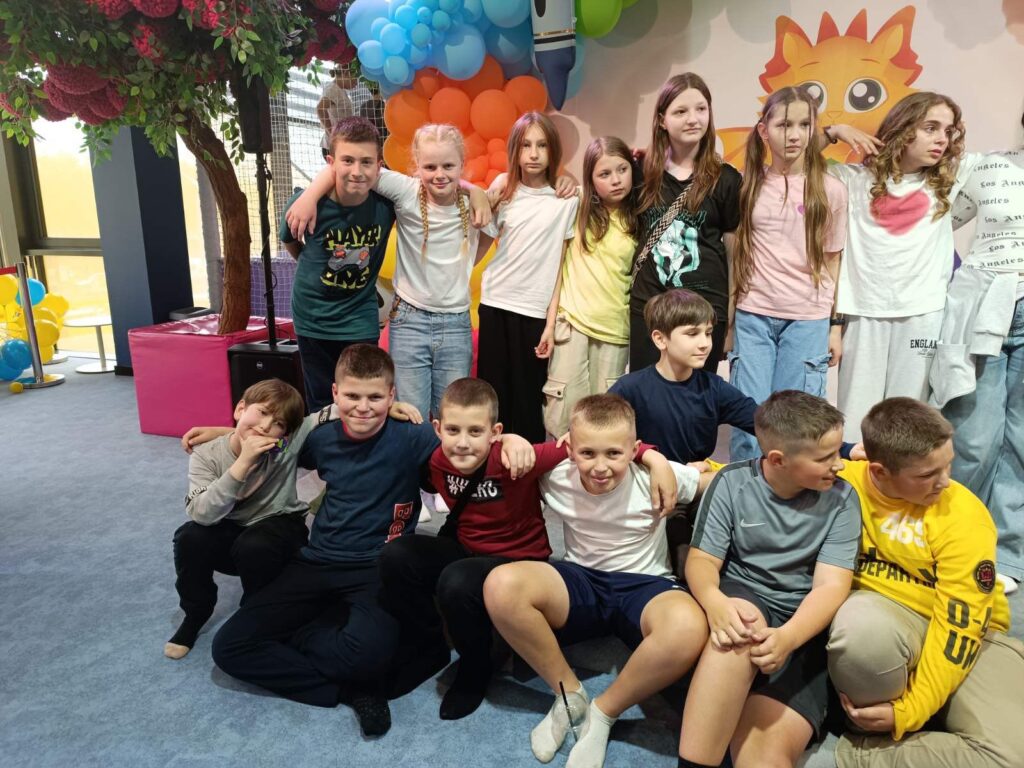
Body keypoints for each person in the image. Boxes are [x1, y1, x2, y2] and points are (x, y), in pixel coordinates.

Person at [208, 345, 531, 737]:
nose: (363, 407)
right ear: (335, 393)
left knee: (366, 655)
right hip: (315, 560)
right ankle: (350, 689)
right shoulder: (320, 437)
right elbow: (274, 442)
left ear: (392, 395)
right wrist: (224, 435)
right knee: (228, 648)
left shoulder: (414, 437)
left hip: (375, 567)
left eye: (375, 397)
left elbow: (468, 446)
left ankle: (316, 642)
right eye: (352, 396)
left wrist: (509, 439)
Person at [379, 378, 677, 721]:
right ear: (438, 428)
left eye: (475, 431)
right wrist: (391, 406)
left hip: (517, 558)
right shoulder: (436, 459)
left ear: (495, 432)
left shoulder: (518, 458)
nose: (462, 443)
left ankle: (476, 667)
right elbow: (373, 419)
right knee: (396, 556)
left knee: (456, 580)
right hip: (465, 544)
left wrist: (654, 457)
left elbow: (589, 443)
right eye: (453, 430)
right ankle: (427, 644)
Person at [483, 394, 711, 768]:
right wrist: (508, 438)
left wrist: (675, 464)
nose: (600, 467)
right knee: (500, 584)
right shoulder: (555, 474)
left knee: (688, 626)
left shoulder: (657, 473)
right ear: (570, 448)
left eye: (614, 454)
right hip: (581, 579)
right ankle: (569, 695)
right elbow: (494, 455)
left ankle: (603, 713)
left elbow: (719, 482)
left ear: (634, 450)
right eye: (588, 453)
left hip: (645, 583)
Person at [827, 397, 1024, 768]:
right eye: (927, 474)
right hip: (884, 625)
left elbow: (959, 626)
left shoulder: (964, 514)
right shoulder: (841, 483)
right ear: (879, 471)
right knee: (863, 628)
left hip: (971, 637)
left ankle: (849, 753)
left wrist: (912, 710)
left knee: (1011, 757)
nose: (945, 481)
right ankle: (871, 727)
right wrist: (704, 471)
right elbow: (766, 474)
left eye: (948, 464)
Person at [679, 390, 861, 768]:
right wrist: (714, 602)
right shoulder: (731, 482)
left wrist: (789, 637)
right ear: (778, 460)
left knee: (762, 755)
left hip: (805, 625)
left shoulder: (843, 499)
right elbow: (702, 560)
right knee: (739, 628)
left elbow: (831, 586)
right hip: (748, 594)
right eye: (825, 457)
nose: (839, 465)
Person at [288, 124, 493, 421]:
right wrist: (309, 195)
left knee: (452, 414)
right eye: (430, 166)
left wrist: (475, 191)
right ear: (417, 167)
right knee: (411, 414)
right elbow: (350, 169)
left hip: (456, 323)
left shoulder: (471, 204)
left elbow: (485, 237)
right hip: (410, 321)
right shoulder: (406, 190)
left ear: (462, 164)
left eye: (448, 166)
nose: (439, 174)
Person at [825, 92, 981, 441]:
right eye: (930, 127)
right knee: (856, 421)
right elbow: (795, 162)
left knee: (908, 422)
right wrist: (833, 132)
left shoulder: (947, 181)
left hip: (923, 314)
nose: (942, 139)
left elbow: (1002, 163)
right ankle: (856, 479)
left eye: (948, 131)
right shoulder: (853, 180)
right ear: (903, 127)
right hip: (864, 312)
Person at [728, 86, 848, 461]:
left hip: (807, 319)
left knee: (798, 425)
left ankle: (794, 493)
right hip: (754, 315)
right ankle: (745, 491)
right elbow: (735, 254)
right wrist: (729, 322)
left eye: (804, 125)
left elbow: (833, 260)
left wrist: (834, 326)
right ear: (764, 130)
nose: (794, 135)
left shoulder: (831, 190)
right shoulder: (747, 185)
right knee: (749, 424)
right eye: (783, 125)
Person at [932, 112, 1024, 596]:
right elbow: (933, 224)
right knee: (973, 436)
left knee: (1021, 443)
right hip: (985, 306)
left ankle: (1006, 554)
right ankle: (957, 541)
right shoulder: (988, 166)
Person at [165, 379, 309, 660]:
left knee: (255, 546)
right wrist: (242, 463)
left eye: (278, 423)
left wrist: (390, 405)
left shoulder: (283, 445)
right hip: (230, 525)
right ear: (240, 408)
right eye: (262, 412)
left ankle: (255, 612)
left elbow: (338, 410)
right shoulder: (206, 454)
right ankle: (196, 612)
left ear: (285, 432)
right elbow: (202, 513)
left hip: (279, 526)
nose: (265, 426)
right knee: (189, 537)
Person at [473, 112, 579, 442]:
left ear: (553, 150)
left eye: (542, 145)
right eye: (525, 145)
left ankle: (527, 469)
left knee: (528, 401)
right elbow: (481, 245)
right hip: (495, 303)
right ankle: (492, 465)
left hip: (534, 313)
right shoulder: (503, 189)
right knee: (493, 399)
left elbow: (561, 267)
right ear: (515, 150)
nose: (533, 154)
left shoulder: (566, 200)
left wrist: (550, 323)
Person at [630, 72, 742, 374]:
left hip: (704, 313)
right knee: (646, 396)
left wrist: (729, 319)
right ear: (662, 120)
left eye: (701, 109)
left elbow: (734, 256)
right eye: (681, 111)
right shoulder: (640, 172)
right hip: (649, 310)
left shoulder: (727, 179)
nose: (693, 119)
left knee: (697, 397)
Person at [281, 117, 395, 411]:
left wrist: (474, 192)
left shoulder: (386, 205)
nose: (357, 171)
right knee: (321, 401)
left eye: (366, 162)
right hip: (312, 318)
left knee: (363, 396)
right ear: (331, 163)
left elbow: (428, 187)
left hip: (359, 318)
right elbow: (290, 239)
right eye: (347, 160)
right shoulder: (305, 204)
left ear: (379, 165)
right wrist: (306, 262)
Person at [542, 136, 640, 438]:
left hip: (614, 330)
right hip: (572, 325)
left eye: (622, 170)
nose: (616, 180)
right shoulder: (578, 205)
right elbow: (557, 270)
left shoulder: (640, 215)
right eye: (604, 174)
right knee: (562, 416)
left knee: (605, 420)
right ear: (591, 178)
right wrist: (549, 325)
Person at [611, 289, 757, 466]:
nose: (705, 344)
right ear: (660, 339)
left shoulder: (714, 388)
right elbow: (597, 436)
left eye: (708, 333)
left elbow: (765, 423)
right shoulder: (629, 388)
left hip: (695, 479)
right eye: (692, 334)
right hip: (644, 478)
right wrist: (646, 456)